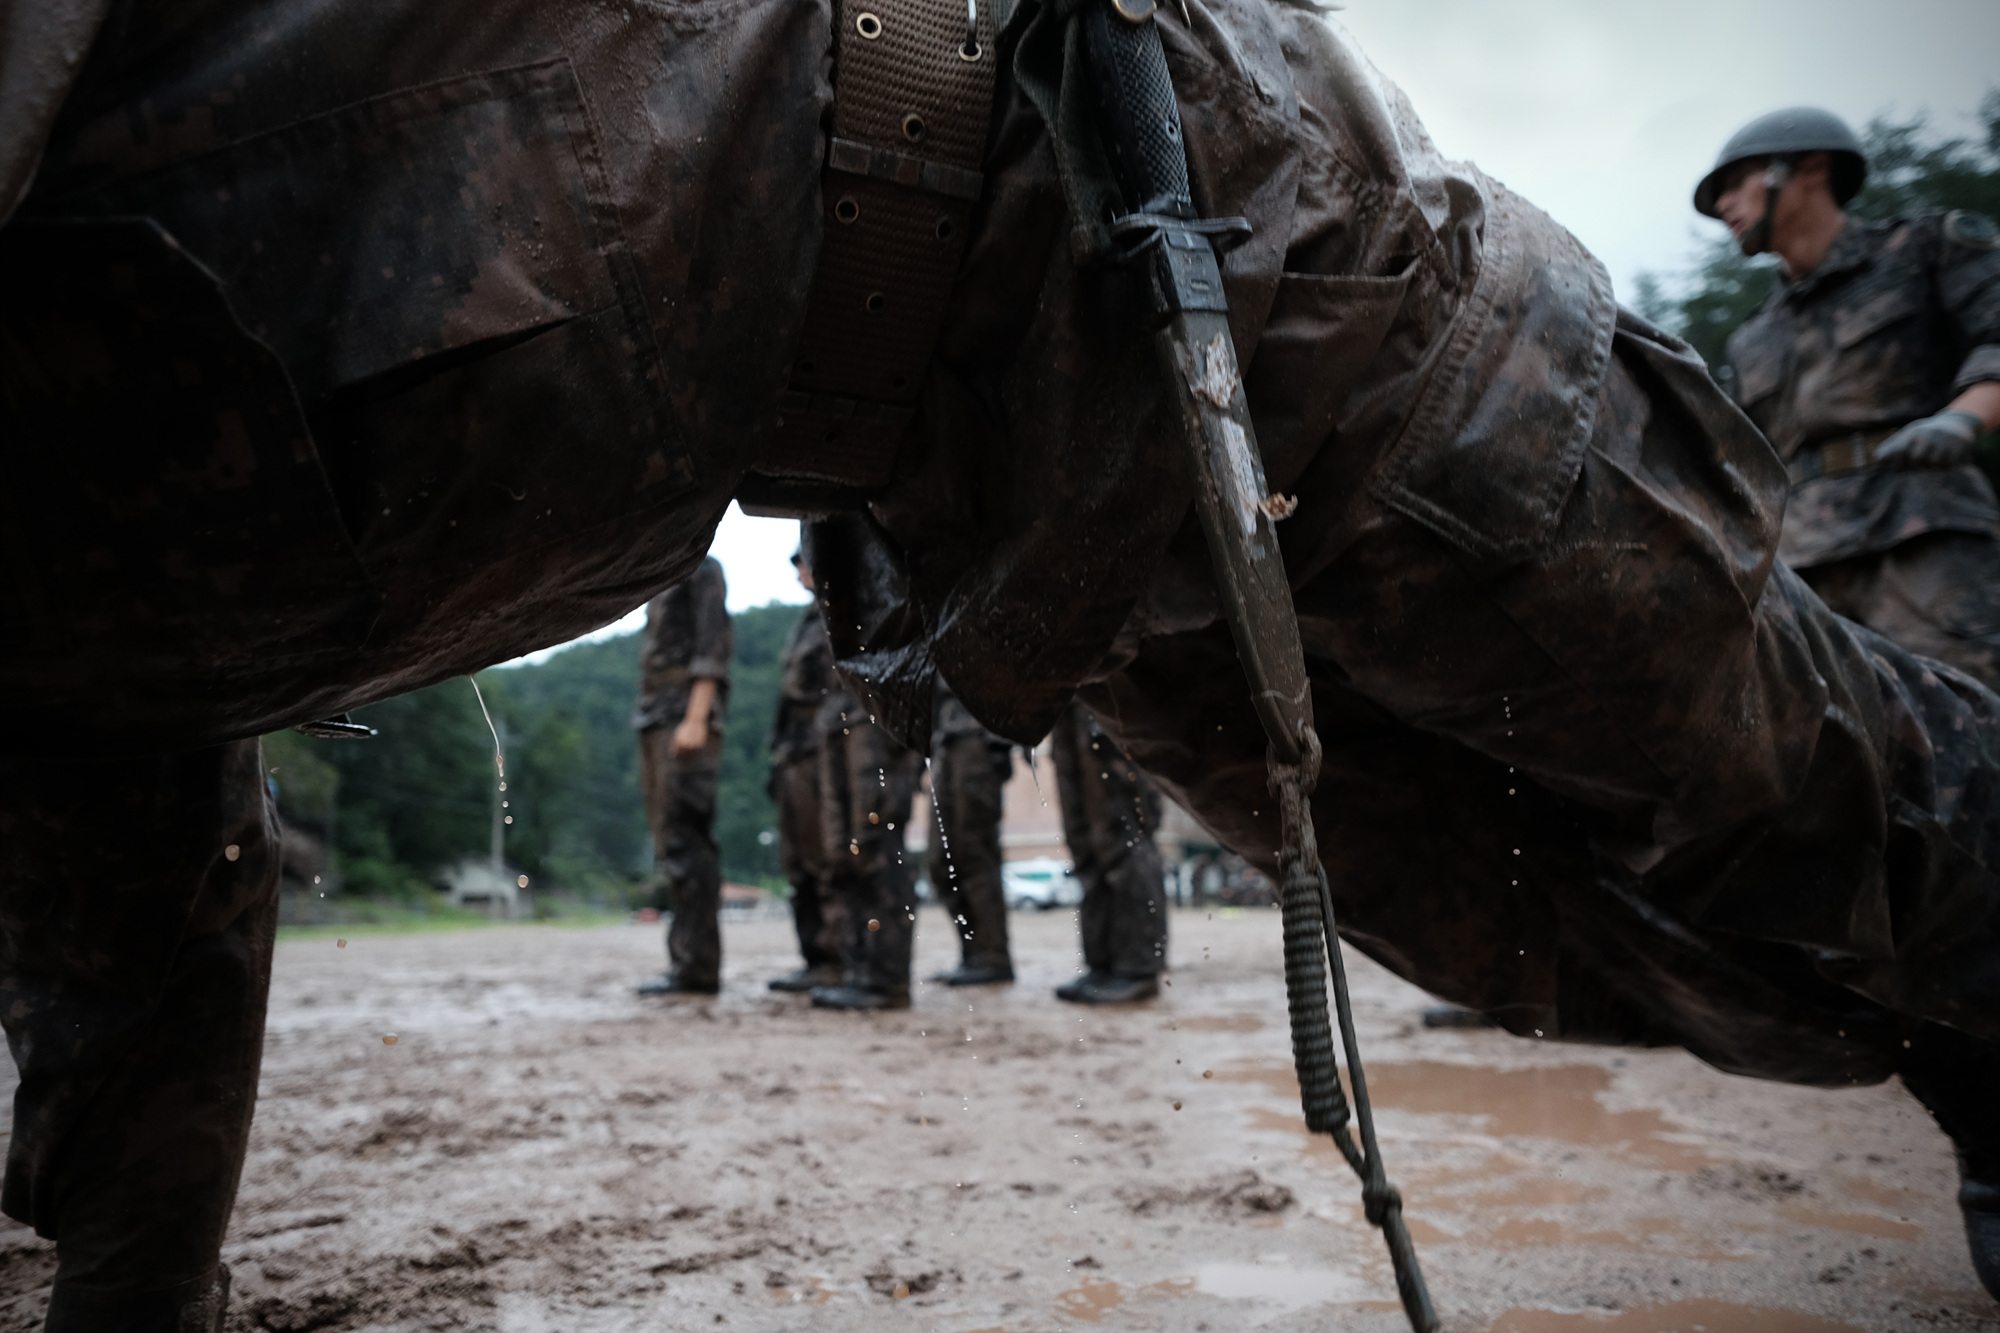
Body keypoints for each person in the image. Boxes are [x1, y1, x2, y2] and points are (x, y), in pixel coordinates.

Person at [6, 0, 2000, 1319]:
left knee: (1793, 796)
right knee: (1531, 922)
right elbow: (118, 794)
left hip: (1223, 246)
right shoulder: (81, 567)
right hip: (997, 508)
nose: (1742, 209)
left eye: (1754, 188)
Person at [1699, 108, 2000, 688]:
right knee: (1835, 757)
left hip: (1920, 531)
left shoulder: (1923, 250)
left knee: (1972, 715)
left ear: (1811, 167)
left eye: (1736, 183)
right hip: (1800, 570)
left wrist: (1963, 420)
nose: (1722, 206)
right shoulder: (1752, 336)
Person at [632, 557, 731, 997]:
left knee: (687, 840)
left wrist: (696, 716)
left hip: (683, 715)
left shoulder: (701, 568)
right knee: (670, 844)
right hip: (656, 715)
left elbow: (713, 645)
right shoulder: (660, 573)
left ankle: (697, 968)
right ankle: (687, 964)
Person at [810, 680, 924, 1011]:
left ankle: (887, 979)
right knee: (845, 854)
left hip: (878, 704)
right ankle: (861, 972)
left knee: (876, 839)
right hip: (840, 712)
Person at [1045, 700, 1168, 1004]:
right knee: (1085, 844)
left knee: (1122, 836)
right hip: (1064, 703)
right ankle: (1102, 965)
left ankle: (1139, 968)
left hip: (1105, 691)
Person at [767, 550, 844, 993]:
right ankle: (815, 958)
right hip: (794, 752)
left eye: (808, 561)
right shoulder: (807, 622)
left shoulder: (842, 615)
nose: (801, 570)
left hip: (821, 749)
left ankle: (835, 956)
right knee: (797, 863)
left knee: (823, 857)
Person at [927, 685, 1018, 986]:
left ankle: (992, 957)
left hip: (977, 735)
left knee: (974, 852)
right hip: (944, 737)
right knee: (941, 860)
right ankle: (972, 953)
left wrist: (1000, 740)